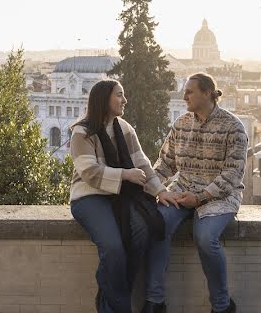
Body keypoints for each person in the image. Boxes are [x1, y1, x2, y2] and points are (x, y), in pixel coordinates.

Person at [142, 73, 248, 313]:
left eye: (190, 91)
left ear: (208, 93)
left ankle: (222, 306)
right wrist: (154, 187)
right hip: (181, 191)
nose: (184, 95)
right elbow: (165, 164)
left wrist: (200, 198)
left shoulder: (234, 127)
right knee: (157, 226)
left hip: (220, 198)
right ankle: (154, 301)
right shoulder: (181, 124)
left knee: (205, 238)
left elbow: (232, 174)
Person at [70, 79, 166, 313]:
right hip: (89, 196)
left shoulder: (124, 128)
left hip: (119, 195)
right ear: (104, 99)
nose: (125, 100)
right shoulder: (81, 132)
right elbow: (90, 173)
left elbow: (142, 163)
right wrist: (125, 175)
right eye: (119, 95)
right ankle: (121, 307)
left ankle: (108, 299)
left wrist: (160, 191)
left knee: (142, 232)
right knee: (113, 247)